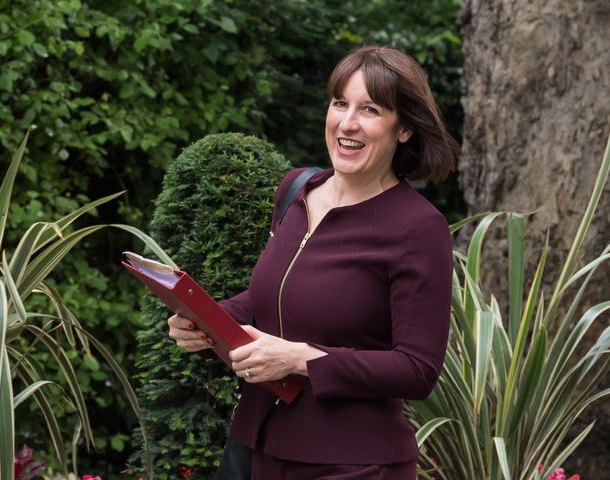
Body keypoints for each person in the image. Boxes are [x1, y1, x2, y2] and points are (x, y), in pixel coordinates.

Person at [168, 45, 459, 479]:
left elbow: (417, 370)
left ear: (404, 130)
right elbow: (276, 295)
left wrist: (302, 359)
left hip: (352, 464)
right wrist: (207, 320)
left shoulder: (418, 228)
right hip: (256, 447)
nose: (348, 123)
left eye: (371, 109)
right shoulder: (297, 189)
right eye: (341, 103)